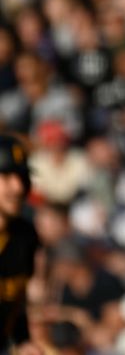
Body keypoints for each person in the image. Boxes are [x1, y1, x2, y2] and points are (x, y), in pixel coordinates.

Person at [0, 134, 41, 355]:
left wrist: (23, 340)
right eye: (6, 176)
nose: (18, 187)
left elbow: (16, 302)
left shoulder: (25, 236)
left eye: (23, 177)